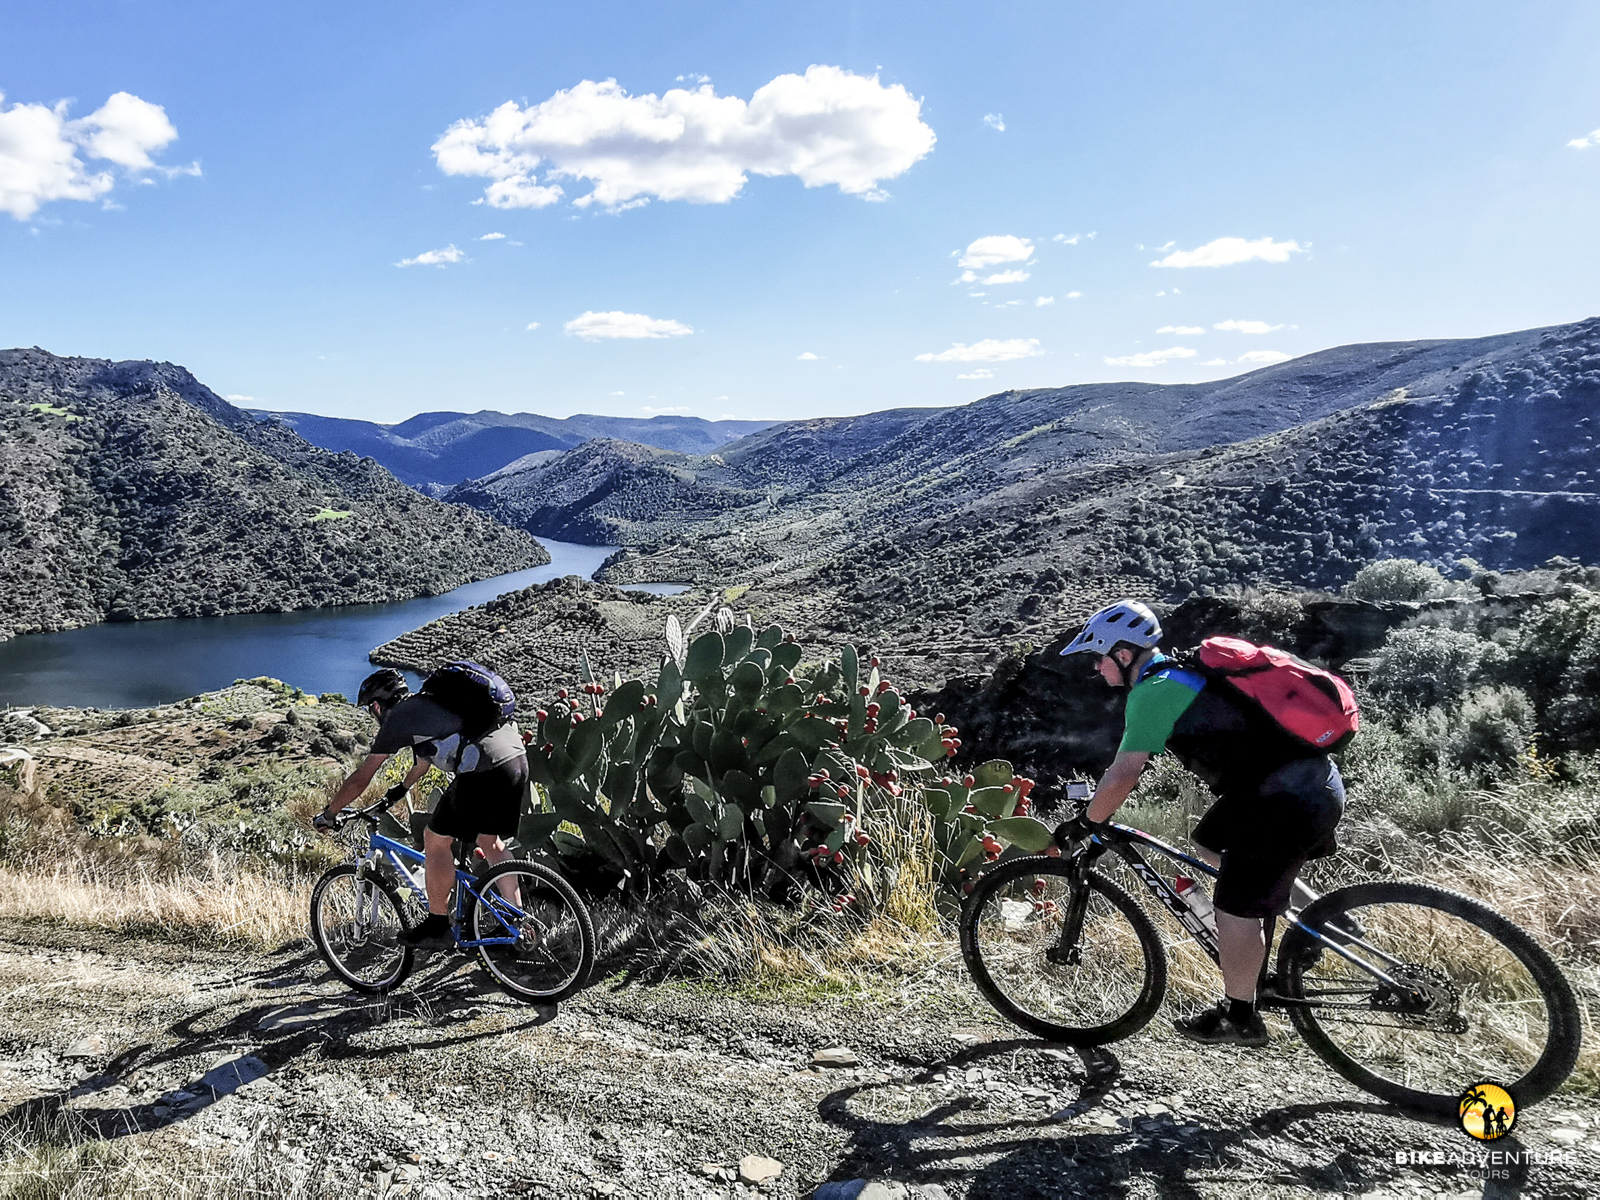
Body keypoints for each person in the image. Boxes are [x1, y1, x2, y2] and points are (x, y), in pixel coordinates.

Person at [1057, 600, 1346, 1047]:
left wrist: (1086, 822)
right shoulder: (1180, 673)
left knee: (1233, 905)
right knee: (1210, 843)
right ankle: (1319, 922)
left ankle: (1239, 1018)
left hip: (1283, 801)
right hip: (1307, 783)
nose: (1096, 668)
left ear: (1124, 653)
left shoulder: (1153, 692)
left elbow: (1124, 774)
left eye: (1098, 657)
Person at [316, 667, 530, 948]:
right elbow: (422, 764)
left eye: (371, 710)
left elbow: (363, 776)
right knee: (491, 842)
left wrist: (330, 813)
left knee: (435, 839)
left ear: (378, 706)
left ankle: (437, 925)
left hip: (483, 770)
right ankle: (519, 925)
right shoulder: (428, 708)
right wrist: (399, 791)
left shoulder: (399, 719)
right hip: (516, 761)